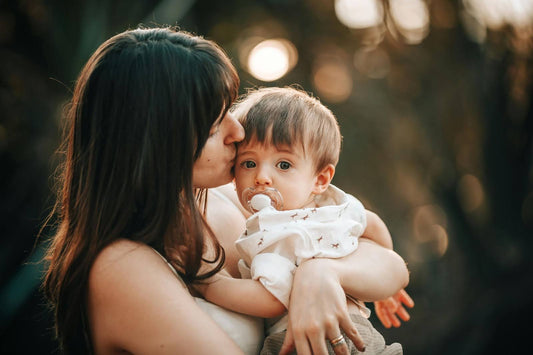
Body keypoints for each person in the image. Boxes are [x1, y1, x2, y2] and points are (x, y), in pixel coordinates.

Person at [42, 26, 410, 355]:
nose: (238, 132)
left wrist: (323, 274)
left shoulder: (239, 200)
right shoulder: (122, 267)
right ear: (160, 143)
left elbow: (386, 259)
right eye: (216, 123)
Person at [195, 87, 414, 354]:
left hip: (305, 341)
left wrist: (212, 285)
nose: (262, 177)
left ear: (320, 179)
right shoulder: (335, 208)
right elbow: (372, 224)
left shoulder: (271, 231)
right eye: (249, 164)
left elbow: (270, 300)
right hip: (362, 338)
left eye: (284, 165)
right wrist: (378, 285)